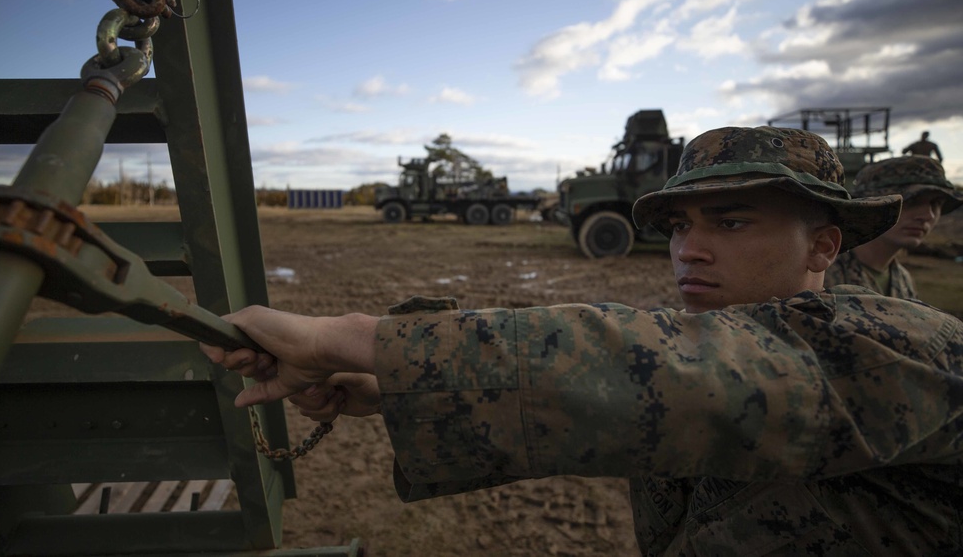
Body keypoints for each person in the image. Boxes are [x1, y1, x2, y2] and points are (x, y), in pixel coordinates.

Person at [201, 126, 963, 556]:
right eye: (679, 227)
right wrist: (394, 388)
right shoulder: (713, 348)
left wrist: (353, 338)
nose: (688, 251)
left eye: (730, 223)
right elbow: (623, 409)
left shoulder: (895, 341)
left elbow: (658, 369)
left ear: (824, 247)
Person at [825, 155, 962, 298]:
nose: (928, 215)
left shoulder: (903, 280)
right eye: (911, 200)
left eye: (936, 203)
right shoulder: (820, 273)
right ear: (869, 205)